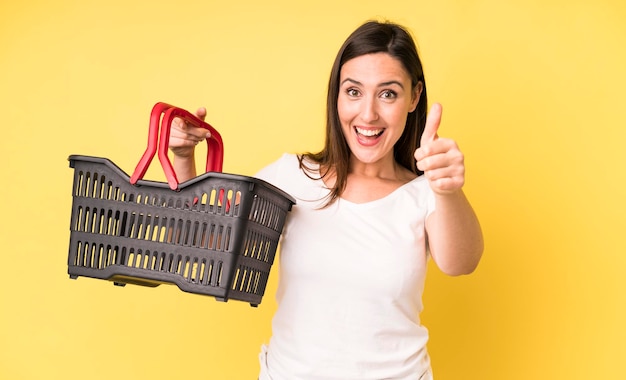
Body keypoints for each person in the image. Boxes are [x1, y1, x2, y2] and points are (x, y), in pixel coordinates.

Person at [169, 20, 483, 380]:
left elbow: (462, 262)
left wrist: (447, 189)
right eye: (353, 92)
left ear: (414, 98)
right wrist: (182, 158)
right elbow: (202, 242)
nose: (368, 115)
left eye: (388, 94)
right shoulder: (292, 176)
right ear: (336, 96)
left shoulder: (424, 194)